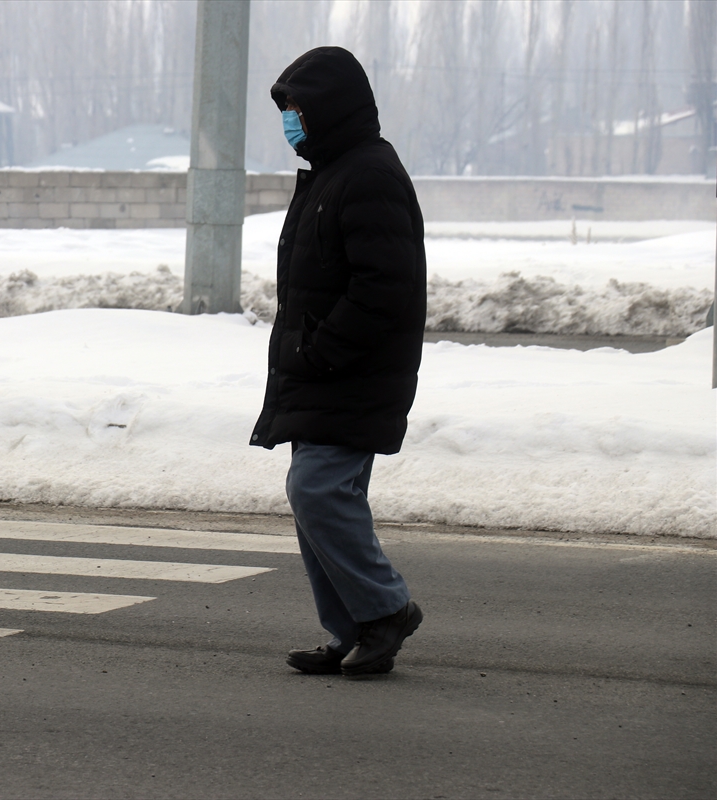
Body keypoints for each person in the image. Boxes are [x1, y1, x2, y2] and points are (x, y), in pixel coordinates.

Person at [249, 46, 426, 678]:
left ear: (331, 108)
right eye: (287, 109)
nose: (290, 120)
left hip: (351, 373)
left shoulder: (368, 174)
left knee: (317, 490)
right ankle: (354, 630)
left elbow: (384, 286)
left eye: (297, 108)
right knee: (314, 499)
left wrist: (321, 351)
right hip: (322, 372)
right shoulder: (331, 173)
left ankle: (386, 610)